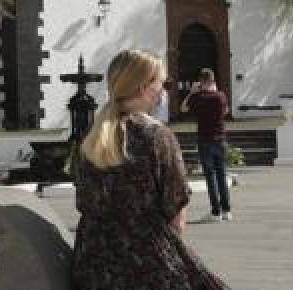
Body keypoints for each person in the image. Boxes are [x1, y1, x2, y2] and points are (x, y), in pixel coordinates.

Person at [71, 50, 230, 290]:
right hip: (146, 264)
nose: (163, 90)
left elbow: (85, 202)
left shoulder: (90, 140)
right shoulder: (157, 138)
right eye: (161, 83)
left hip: (92, 265)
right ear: (144, 87)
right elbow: (176, 215)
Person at [180, 68, 231, 222]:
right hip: (220, 139)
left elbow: (183, 108)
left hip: (205, 139)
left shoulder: (198, 97)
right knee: (221, 174)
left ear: (201, 81)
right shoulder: (221, 96)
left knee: (210, 176)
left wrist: (192, 92)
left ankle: (215, 211)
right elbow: (226, 111)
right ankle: (226, 210)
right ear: (213, 80)